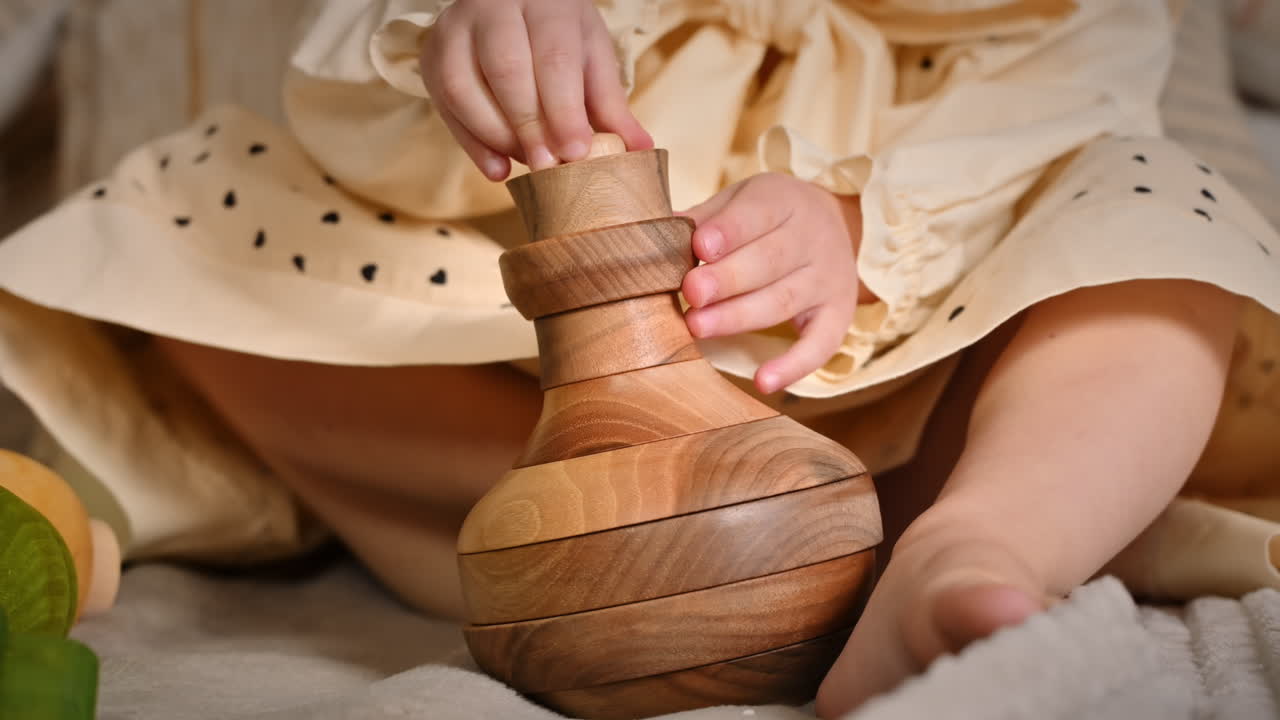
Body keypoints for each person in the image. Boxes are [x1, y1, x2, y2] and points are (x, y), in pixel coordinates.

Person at [0, 1, 1278, 717]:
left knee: (1155, 216)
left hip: (917, 371)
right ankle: (575, 549)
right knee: (193, 216)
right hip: (526, 376)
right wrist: (460, 46)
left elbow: (1066, 109)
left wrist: (853, 226)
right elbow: (351, 128)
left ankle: (972, 539)